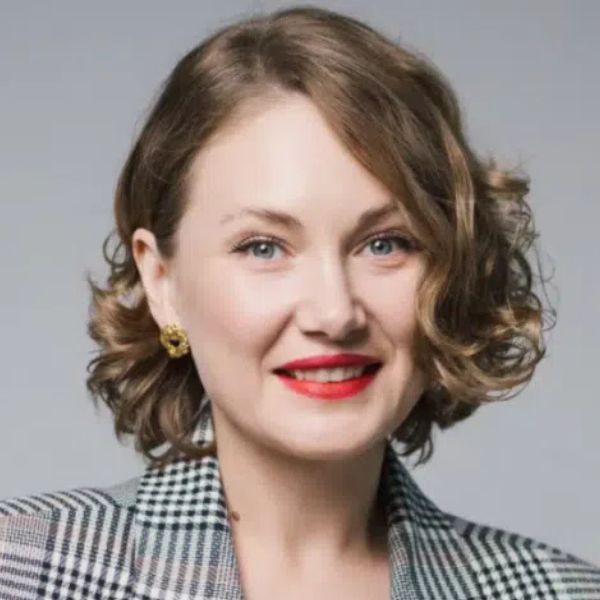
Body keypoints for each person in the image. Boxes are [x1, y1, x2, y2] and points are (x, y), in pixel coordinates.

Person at [1, 5, 599, 599]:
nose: (334, 314)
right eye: (263, 247)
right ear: (161, 283)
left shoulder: (561, 593)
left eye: (385, 244)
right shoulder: (22, 571)